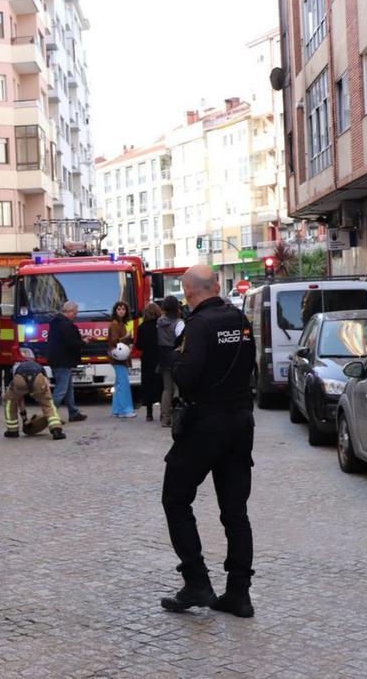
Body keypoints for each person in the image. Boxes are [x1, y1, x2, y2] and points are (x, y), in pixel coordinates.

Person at [160, 265, 256, 619]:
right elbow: (248, 365)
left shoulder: (198, 325)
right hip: (240, 422)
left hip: (205, 425)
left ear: (188, 292)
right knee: (235, 511)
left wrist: (174, 358)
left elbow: (188, 377)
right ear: (216, 286)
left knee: (175, 498)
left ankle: (197, 581)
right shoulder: (240, 320)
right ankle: (239, 593)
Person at [3, 348, 65, 440]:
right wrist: (43, 396)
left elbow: (20, 398)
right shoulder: (39, 366)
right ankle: (56, 430)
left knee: (9, 402)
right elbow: (46, 383)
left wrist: (24, 418)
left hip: (20, 379)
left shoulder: (17, 366)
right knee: (48, 405)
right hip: (38, 378)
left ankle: (12, 431)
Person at [46, 301, 91, 423]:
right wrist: (84, 342)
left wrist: (79, 337)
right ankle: (51, 415)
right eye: (75, 313)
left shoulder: (57, 323)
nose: (76, 316)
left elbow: (65, 339)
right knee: (61, 390)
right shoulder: (65, 325)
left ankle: (73, 412)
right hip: (63, 361)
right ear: (70, 312)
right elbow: (71, 343)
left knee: (68, 388)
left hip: (58, 360)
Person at [157, 296, 184, 428]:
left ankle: (165, 418)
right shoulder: (179, 323)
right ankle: (178, 416)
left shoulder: (159, 322)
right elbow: (183, 340)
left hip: (163, 357)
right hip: (176, 357)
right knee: (178, 387)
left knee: (167, 389)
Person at [135, 302, 163, 423]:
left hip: (147, 359)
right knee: (161, 384)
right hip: (159, 357)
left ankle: (149, 413)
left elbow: (139, 346)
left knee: (148, 384)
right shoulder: (161, 326)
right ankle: (163, 412)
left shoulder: (142, 327)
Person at [107, 301, 136, 418]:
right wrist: (126, 338)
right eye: (119, 309)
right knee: (123, 384)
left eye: (123, 309)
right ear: (115, 311)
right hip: (118, 357)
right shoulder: (115, 324)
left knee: (119, 384)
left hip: (119, 357)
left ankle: (117, 409)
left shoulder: (121, 324)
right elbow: (114, 341)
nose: (121, 311)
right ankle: (125, 410)